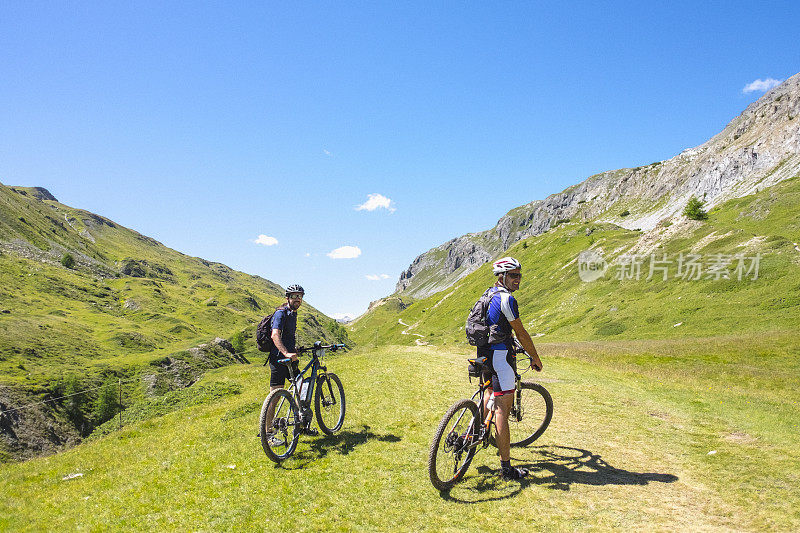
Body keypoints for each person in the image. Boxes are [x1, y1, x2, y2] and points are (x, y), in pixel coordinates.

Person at [479, 257, 543, 481]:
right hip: (500, 357)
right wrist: (534, 356)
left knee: (489, 394)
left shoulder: (487, 295)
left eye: (519, 275)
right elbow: (521, 332)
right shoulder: (507, 299)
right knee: (502, 410)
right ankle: (506, 468)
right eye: (513, 275)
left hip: (482, 353)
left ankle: (474, 435)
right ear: (502, 276)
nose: (518, 280)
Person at [265, 284, 317, 438]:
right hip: (279, 361)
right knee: (274, 398)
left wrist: (294, 350)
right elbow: (275, 335)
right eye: (293, 296)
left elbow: (287, 337)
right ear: (287, 298)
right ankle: (268, 433)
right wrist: (286, 352)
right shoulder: (281, 313)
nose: (297, 299)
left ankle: (302, 424)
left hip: (290, 360)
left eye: (299, 296)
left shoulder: (292, 314)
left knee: (301, 387)